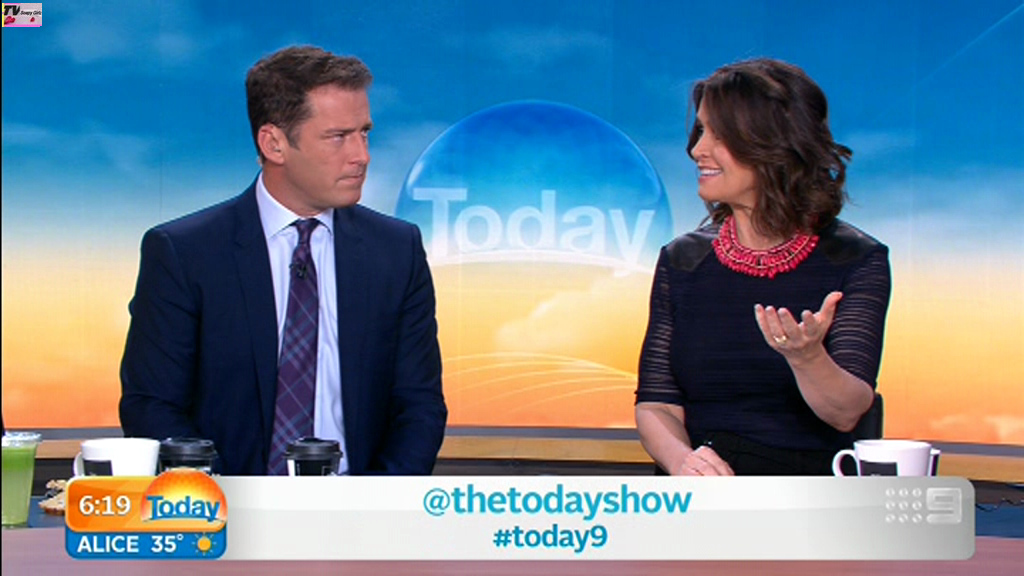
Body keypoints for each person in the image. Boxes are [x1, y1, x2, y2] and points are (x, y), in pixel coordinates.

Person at [119, 45, 447, 475]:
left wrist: (375, 502)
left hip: (363, 505)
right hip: (223, 505)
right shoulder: (184, 253)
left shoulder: (396, 251)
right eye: (338, 137)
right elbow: (152, 406)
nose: (361, 155)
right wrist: (223, 500)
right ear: (274, 143)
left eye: (364, 133)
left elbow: (419, 406)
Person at [634, 58, 891, 476]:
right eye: (700, 131)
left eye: (718, 135)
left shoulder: (854, 259)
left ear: (771, 144)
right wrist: (685, 463)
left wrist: (807, 357)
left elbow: (846, 413)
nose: (698, 150)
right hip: (702, 496)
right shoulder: (682, 261)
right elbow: (657, 404)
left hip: (806, 497)